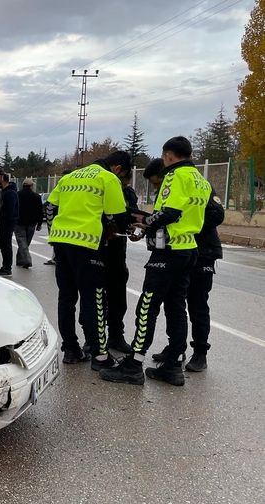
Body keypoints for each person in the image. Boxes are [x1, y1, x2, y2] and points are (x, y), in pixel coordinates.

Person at [100, 137, 211, 386]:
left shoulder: (175, 176)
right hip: (189, 248)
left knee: (147, 307)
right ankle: (173, 366)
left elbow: (171, 213)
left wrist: (146, 223)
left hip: (168, 251)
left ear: (168, 155)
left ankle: (134, 365)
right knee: (176, 307)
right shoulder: (201, 179)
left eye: (164, 157)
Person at [46, 152, 130, 369]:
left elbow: (49, 206)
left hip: (61, 244)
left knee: (66, 299)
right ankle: (99, 357)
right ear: (118, 169)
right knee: (93, 300)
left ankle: (71, 350)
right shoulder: (107, 178)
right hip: (87, 245)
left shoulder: (69, 177)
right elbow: (118, 216)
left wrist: (53, 230)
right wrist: (115, 230)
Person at [142, 159, 224, 372]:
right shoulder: (174, 186)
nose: (157, 188)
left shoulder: (191, 182)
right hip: (181, 250)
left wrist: (189, 225)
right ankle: (175, 349)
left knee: (196, 302)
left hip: (202, 251)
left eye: (157, 183)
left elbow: (217, 214)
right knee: (174, 301)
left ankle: (200, 353)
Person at [97, 166, 138, 355]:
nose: (123, 185)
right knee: (96, 298)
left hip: (118, 251)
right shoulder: (100, 187)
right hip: (98, 249)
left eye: (125, 183)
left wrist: (133, 228)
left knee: (118, 297)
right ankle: (95, 339)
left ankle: (116, 336)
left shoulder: (128, 193)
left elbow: (132, 217)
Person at [15, 178, 43, 269]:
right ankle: (27, 260)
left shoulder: (17, 195)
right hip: (32, 223)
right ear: (31, 186)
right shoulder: (37, 196)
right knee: (25, 242)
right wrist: (39, 223)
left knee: (22, 242)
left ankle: (20, 260)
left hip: (19, 222)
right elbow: (40, 211)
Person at [0, 173, 19, 276]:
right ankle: (5, 266)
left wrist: (4, 221)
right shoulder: (4, 191)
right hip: (4, 223)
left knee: (6, 246)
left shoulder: (10, 193)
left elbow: (9, 211)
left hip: (6, 224)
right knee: (3, 245)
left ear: (3, 179)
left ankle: (7, 268)